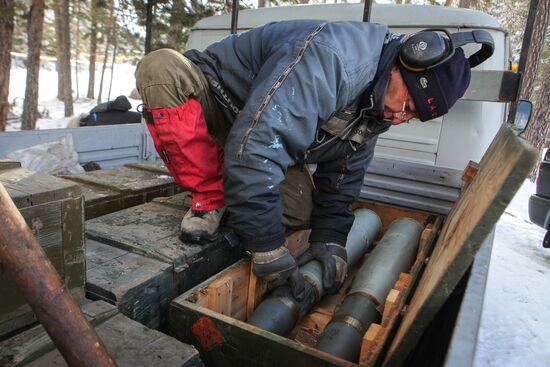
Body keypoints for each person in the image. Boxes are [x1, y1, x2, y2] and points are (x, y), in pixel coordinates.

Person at [135, 20, 490, 299]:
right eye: (408, 104)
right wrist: (267, 250)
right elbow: (256, 148)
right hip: (216, 105)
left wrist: (331, 239)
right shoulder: (333, 60)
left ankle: (235, 185)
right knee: (160, 68)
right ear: (406, 63)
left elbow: (344, 173)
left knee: (300, 212)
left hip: (258, 131)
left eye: (413, 117)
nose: (401, 117)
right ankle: (210, 195)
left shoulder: (381, 105)